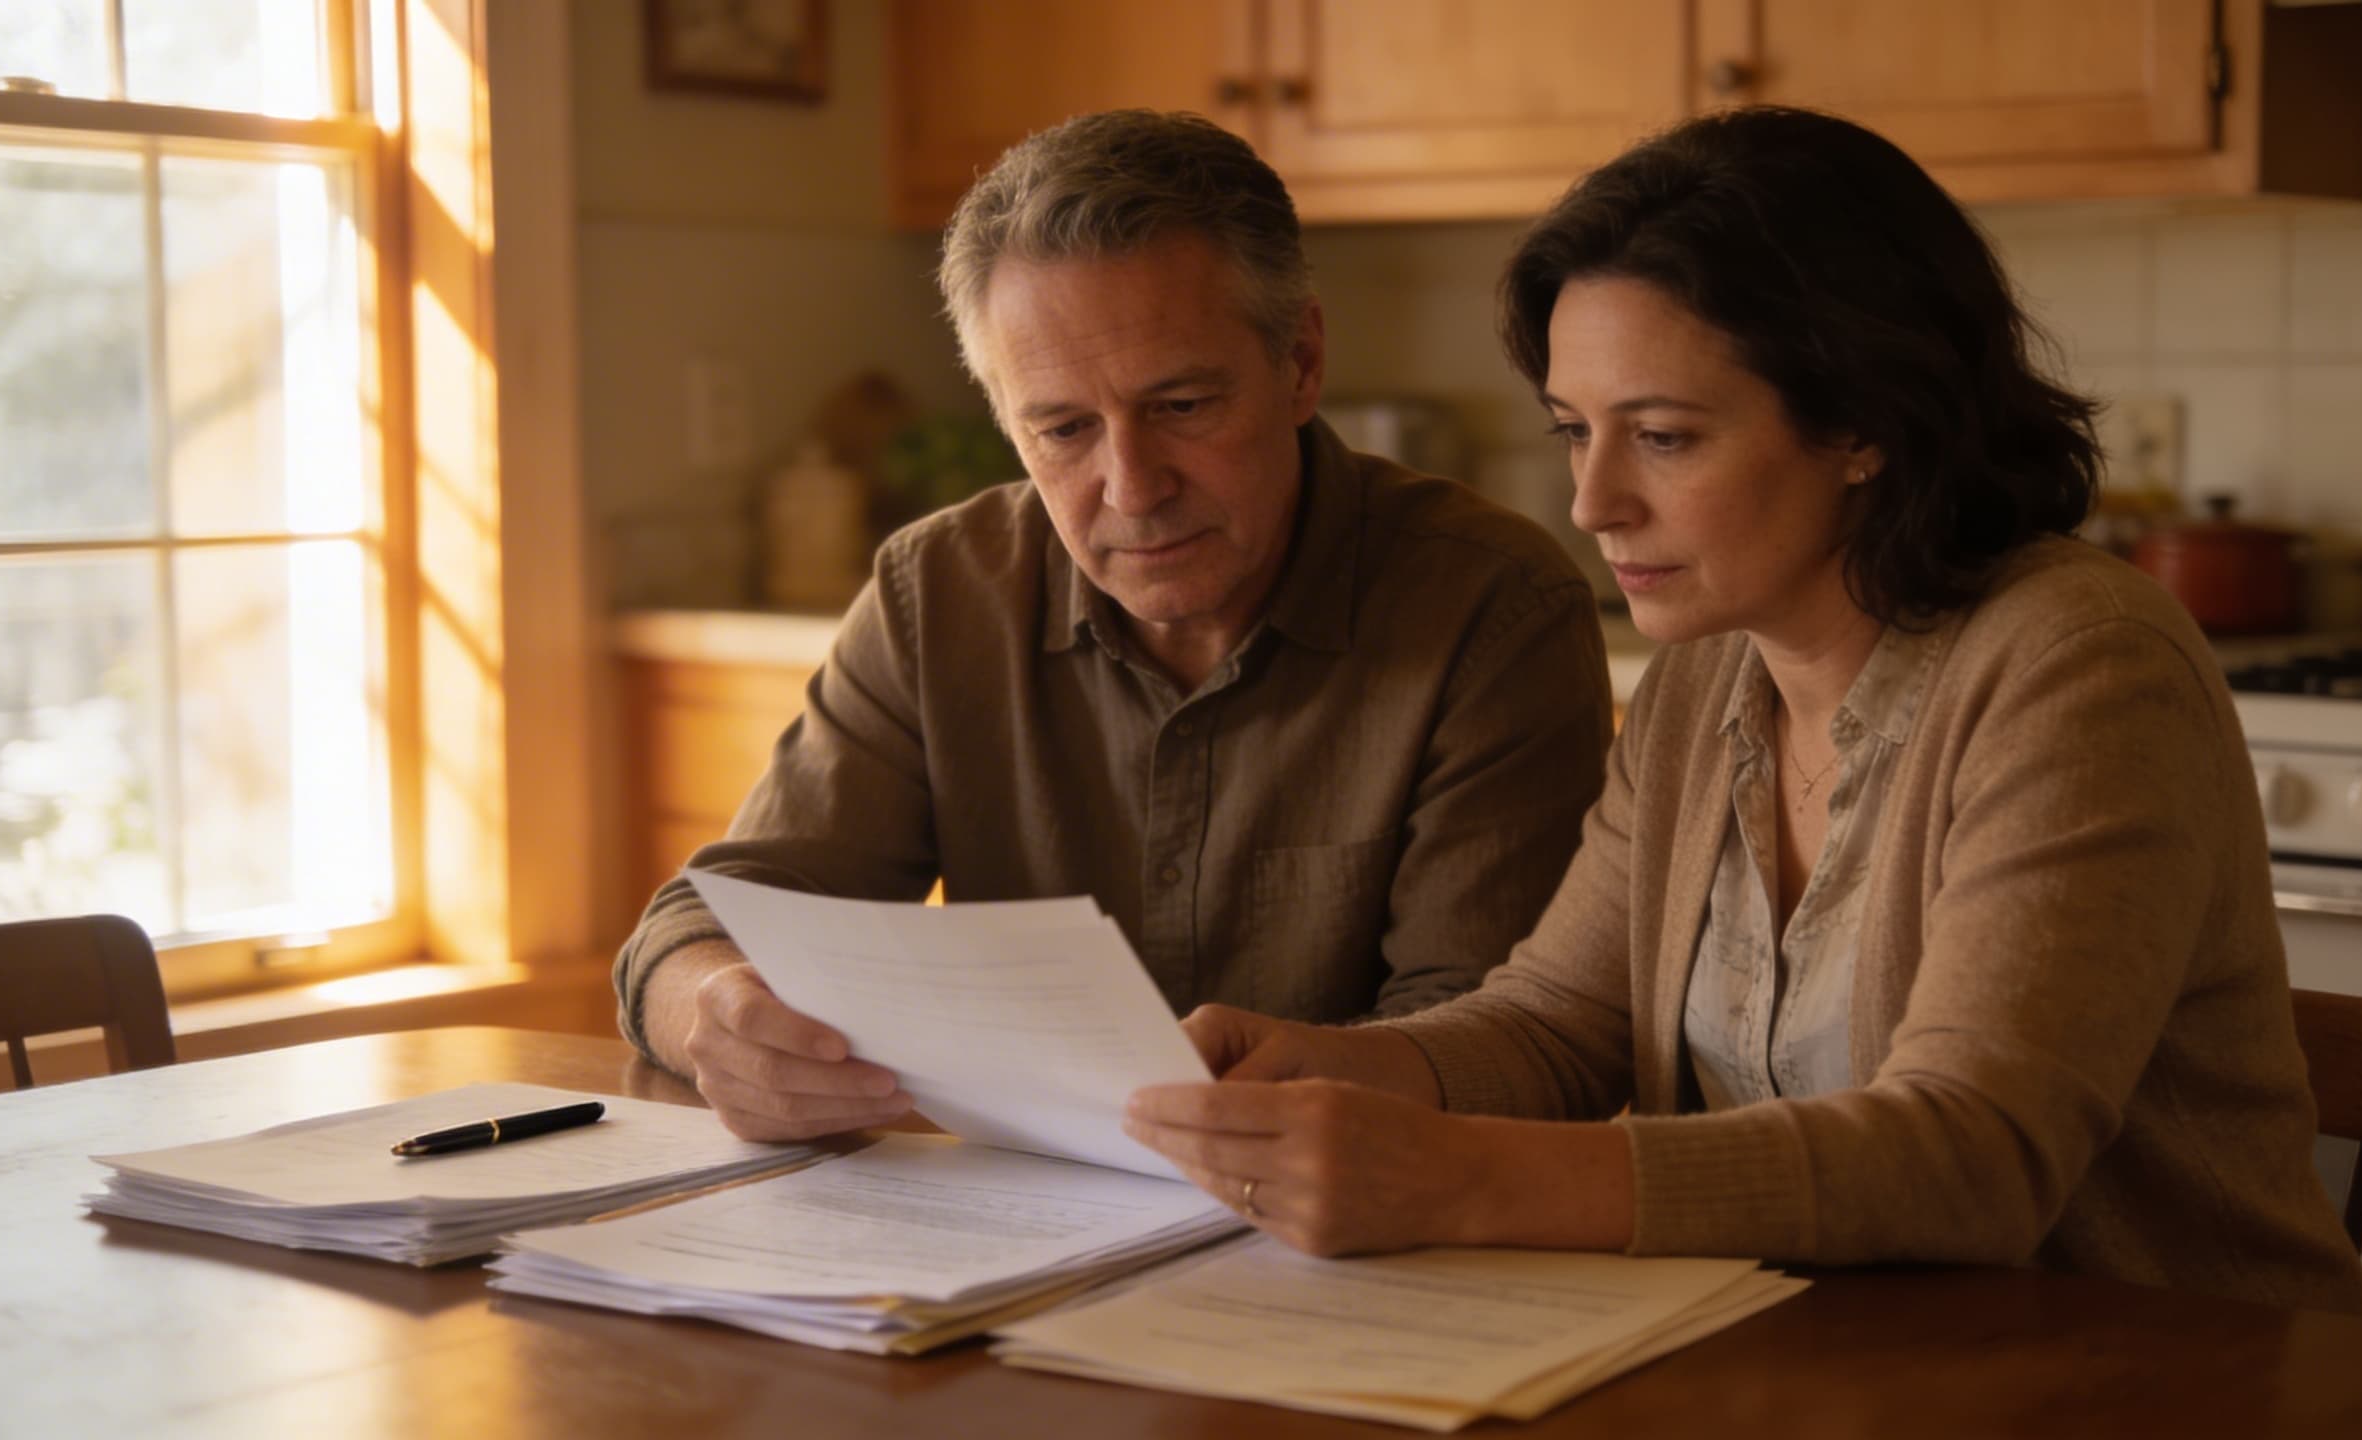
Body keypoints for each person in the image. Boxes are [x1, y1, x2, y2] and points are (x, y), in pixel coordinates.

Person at [1123, 106, 2362, 1316]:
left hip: (2165, 1386)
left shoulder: (2079, 665)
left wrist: (1456, 1174)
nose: (1592, 503)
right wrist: (1335, 1069)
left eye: (1661, 437)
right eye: (1573, 432)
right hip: (1821, 1370)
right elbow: (1562, 1022)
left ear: (1863, 425)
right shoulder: (1704, 681)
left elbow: (1974, 1158)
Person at [615, 110, 1614, 1143]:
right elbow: (699, 921)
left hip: (1354, 1244)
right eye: (1062, 429)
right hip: (1018, 1230)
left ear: (1302, 362)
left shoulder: (1490, 609)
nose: (1131, 489)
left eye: (1181, 406)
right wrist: (718, 1014)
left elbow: (1505, 1047)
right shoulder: (940, 593)